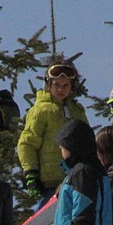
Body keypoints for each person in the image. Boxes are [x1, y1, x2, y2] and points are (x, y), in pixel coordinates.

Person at [18, 59, 89, 206]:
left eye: (65, 86)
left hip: (75, 179)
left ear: (72, 87)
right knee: (47, 218)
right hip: (50, 183)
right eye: (56, 85)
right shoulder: (41, 110)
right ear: (48, 84)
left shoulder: (77, 111)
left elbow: (88, 141)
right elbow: (27, 143)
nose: (60, 89)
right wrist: (31, 173)